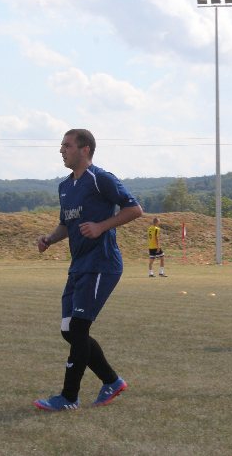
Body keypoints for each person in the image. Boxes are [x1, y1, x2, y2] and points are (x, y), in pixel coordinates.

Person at [34, 129, 143, 412]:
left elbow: (134, 209)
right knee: (69, 330)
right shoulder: (64, 187)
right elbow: (65, 225)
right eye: (61, 145)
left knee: (79, 328)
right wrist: (49, 239)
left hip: (102, 264)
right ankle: (111, 380)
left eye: (67, 145)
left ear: (85, 149)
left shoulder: (100, 178)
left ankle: (68, 396)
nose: (61, 150)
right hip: (79, 266)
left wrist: (101, 226)